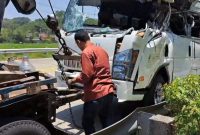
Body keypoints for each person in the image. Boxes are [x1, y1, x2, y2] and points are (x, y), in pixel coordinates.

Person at [68, 30, 115, 135]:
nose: (78, 46)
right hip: (109, 92)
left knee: (87, 123)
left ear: (79, 41)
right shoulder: (102, 50)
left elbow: (86, 75)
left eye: (77, 44)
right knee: (105, 120)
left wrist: (74, 80)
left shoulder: (86, 52)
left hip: (96, 94)